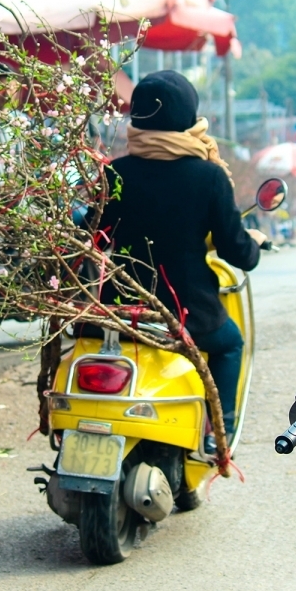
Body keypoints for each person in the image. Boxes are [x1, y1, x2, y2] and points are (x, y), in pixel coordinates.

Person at [97, 70, 266, 450]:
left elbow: (98, 234)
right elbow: (234, 249)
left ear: (137, 116)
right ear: (188, 116)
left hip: (121, 307)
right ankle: (217, 434)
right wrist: (254, 245)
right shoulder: (208, 176)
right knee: (230, 344)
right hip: (187, 311)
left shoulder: (115, 172)